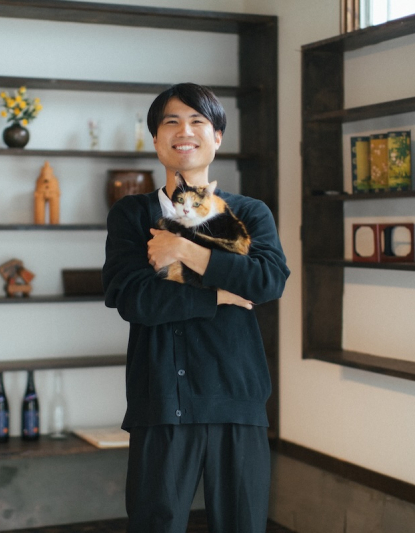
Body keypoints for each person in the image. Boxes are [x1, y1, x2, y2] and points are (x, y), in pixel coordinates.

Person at [102, 83, 289, 533]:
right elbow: (133, 298)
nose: (184, 131)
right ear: (155, 139)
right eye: (171, 122)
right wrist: (218, 294)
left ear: (217, 137)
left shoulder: (250, 212)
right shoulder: (131, 214)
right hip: (161, 400)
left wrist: (185, 251)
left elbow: (268, 280)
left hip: (237, 400)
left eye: (197, 121)